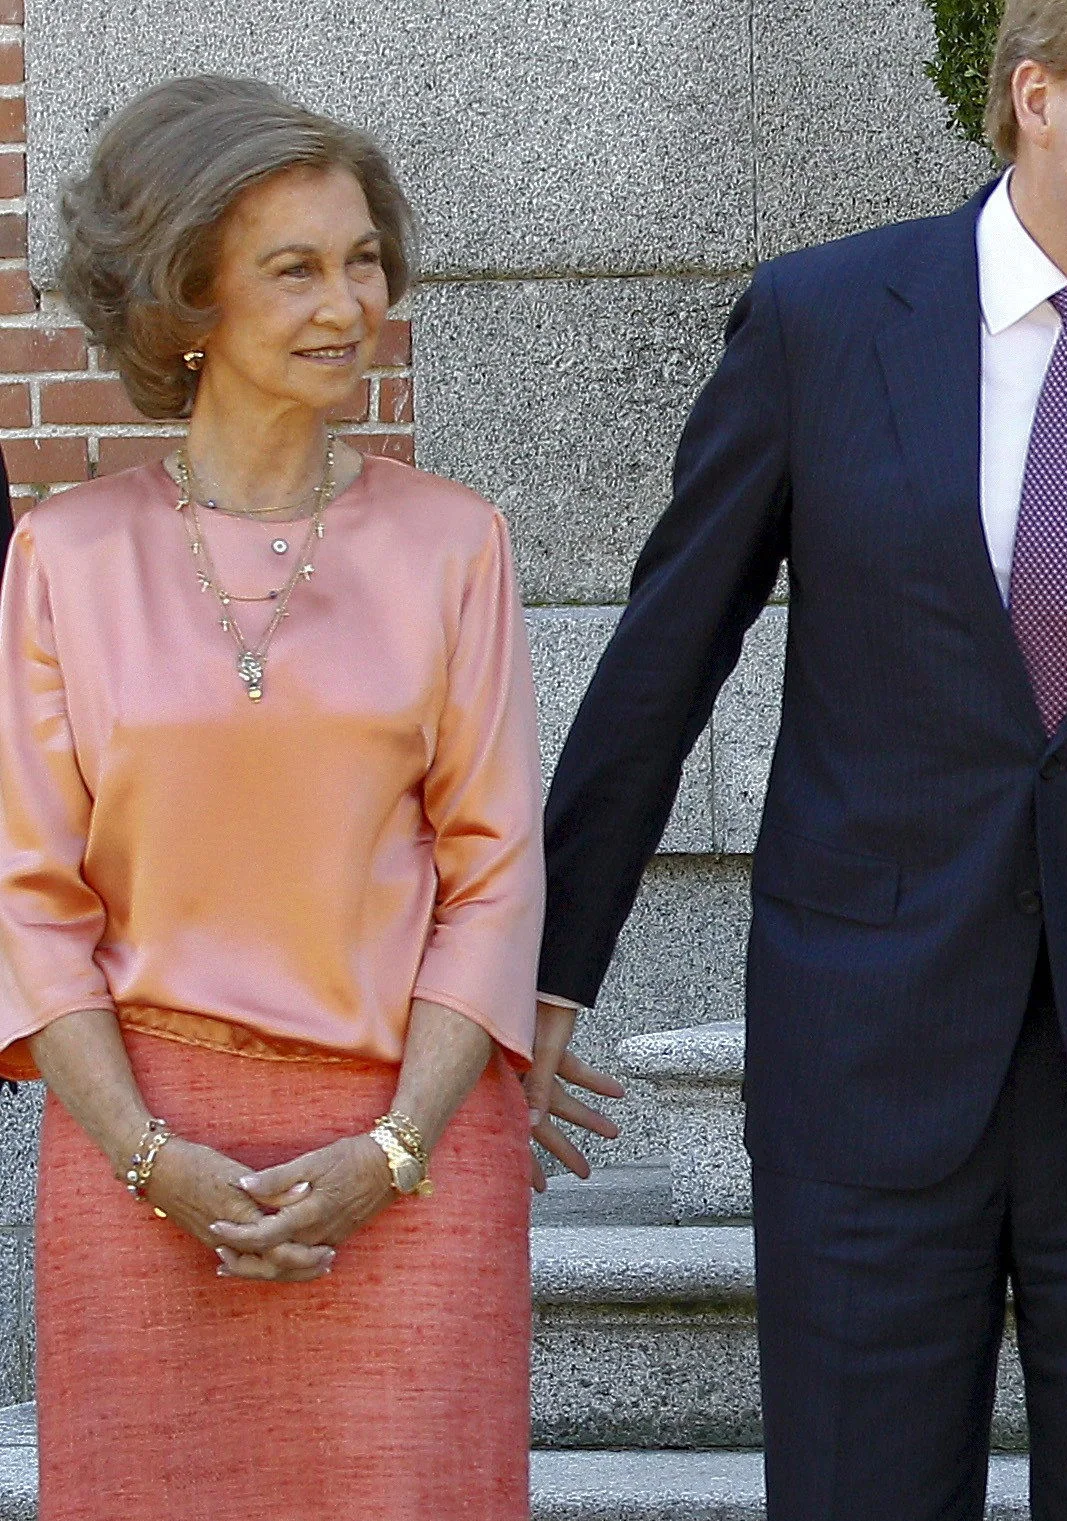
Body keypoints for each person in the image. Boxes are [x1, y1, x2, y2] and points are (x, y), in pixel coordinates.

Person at [531, 0, 1067, 1513]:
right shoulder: (821, 321)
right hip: (870, 1050)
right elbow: (664, 659)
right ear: (1039, 96)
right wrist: (545, 970)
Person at [0, 76, 604, 1520]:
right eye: (296, 267)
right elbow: (30, 898)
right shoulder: (65, 559)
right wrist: (155, 1161)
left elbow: (495, 876)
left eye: (364, 260)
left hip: (412, 1154)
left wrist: (395, 1149)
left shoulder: (456, 545)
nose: (350, 303)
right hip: (139, 1151)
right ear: (184, 298)